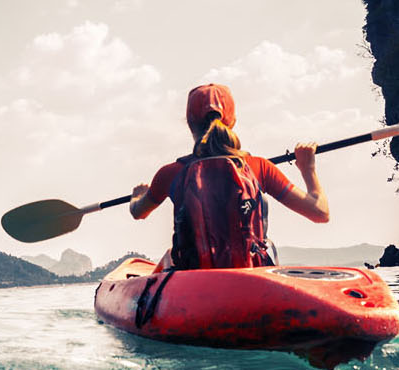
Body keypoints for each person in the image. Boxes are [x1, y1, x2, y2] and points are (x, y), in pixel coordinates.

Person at [128, 83, 330, 270]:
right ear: (232, 121)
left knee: (170, 257)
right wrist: (307, 168)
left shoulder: (171, 173)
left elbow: (139, 212)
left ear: (190, 123)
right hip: (251, 275)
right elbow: (319, 213)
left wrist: (137, 197)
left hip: (194, 279)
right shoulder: (259, 167)